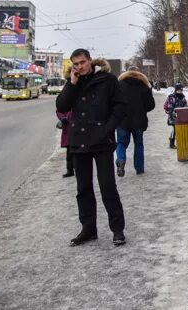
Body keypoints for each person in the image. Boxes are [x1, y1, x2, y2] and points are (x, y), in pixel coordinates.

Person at [56, 48, 126, 247]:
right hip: (79, 143)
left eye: (82, 63)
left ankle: (117, 229)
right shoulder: (73, 82)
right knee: (83, 189)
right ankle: (88, 229)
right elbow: (61, 106)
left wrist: (107, 129)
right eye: (75, 64)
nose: (79, 67)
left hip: (102, 141)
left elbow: (120, 106)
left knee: (108, 187)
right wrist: (72, 84)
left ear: (90, 61)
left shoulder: (107, 79)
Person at [115, 66, 155, 177]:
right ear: (138, 73)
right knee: (138, 144)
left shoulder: (119, 85)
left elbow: (114, 102)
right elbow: (151, 105)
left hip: (122, 120)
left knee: (121, 143)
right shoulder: (144, 85)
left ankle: (120, 160)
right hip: (139, 121)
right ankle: (139, 168)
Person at [57, 68, 74, 178]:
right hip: (68, 126)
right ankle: (70, 170)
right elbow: (59, 108)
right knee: (70, 151)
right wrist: (63, 118)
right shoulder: (68, 87)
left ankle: (77, 169)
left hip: (82, 127)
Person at [163, 83, 187, 149]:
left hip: (181, 116)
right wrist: (174, 112)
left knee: (181, 129)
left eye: (181, 90)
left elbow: (185, 105)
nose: (180, 91)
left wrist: (186, 111)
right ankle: (171, 143)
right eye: (179, 90)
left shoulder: (182, 96)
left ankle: (181, 142)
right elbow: (170, 107)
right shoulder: (172, 97)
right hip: (173, 116)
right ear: (176, 90)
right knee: (174, 130)